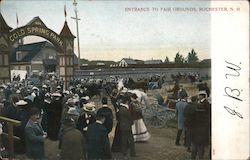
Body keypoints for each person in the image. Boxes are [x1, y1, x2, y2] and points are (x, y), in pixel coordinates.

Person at [190, 91, 210, 160]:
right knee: (197, 150)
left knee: (198, 150)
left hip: (199, 133)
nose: (198, 96)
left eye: (199, 95)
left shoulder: (205, 104)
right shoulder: (201, 103)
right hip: (199, 133)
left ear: (202, 96)